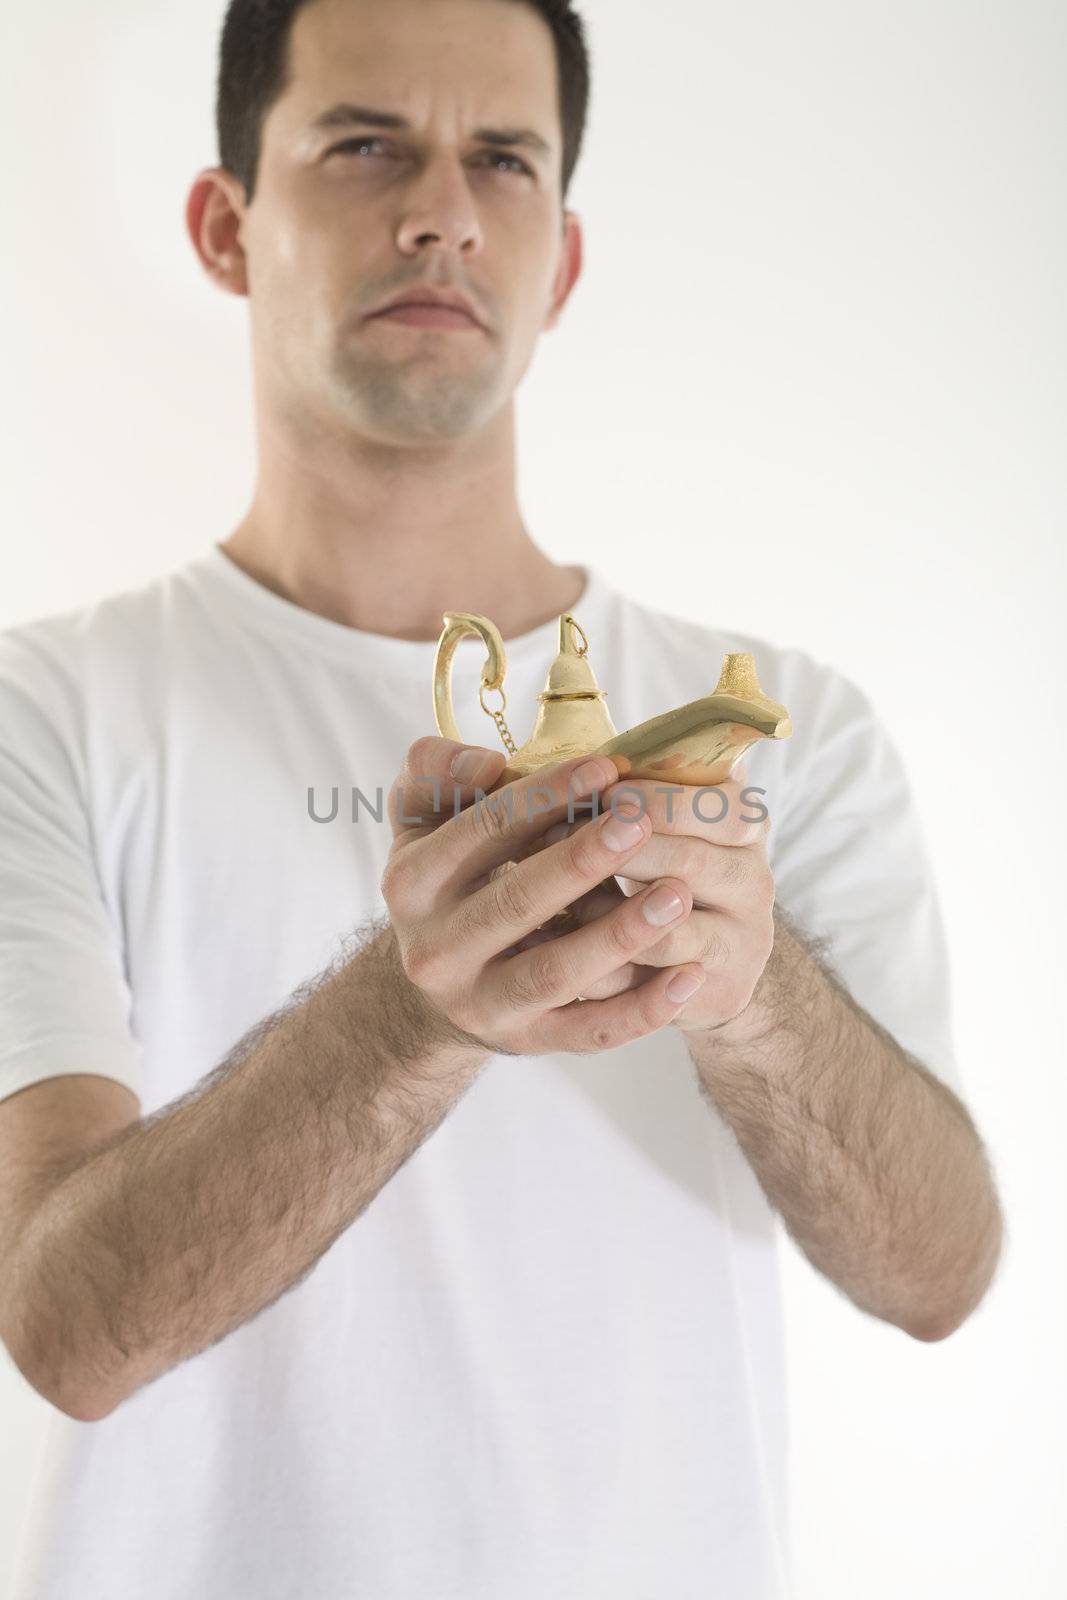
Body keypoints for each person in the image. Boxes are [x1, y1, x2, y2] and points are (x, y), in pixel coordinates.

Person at [0, 1, 1003, 1597]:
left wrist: (753, 996)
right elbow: (67, 1325)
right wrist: (414, 1014)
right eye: (365, 143)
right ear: (224, 224)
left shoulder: (782, 730)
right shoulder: (43, 714)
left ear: (565, 258)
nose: (442, 210)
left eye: (504, 160)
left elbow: (944, 1274)